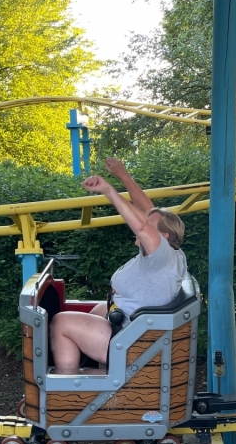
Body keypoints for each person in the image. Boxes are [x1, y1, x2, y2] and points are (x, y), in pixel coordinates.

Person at [49, 158, 187, 374]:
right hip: (129, 324)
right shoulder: (168, 254)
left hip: (131, 337)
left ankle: (67, 386)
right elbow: (147, 211)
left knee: (61, 322)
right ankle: (93, 378)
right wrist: (123, 175)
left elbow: (143, 226)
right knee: (97, 311)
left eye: (150, 227)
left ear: (164, 235)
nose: (140, 223)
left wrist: (108, 190)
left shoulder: (162, 255)